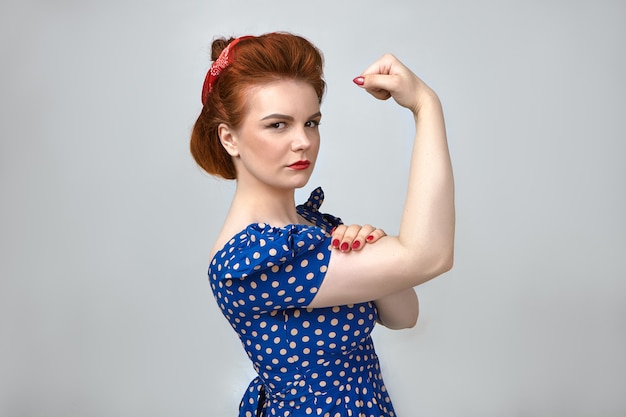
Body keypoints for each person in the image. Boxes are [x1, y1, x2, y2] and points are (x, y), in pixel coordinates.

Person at [190, 32, 454, 417]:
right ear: (229, 138)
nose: (303, 142)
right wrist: (426, 106)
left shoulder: (312, 224)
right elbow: (430, 256)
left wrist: (371, 247)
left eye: (311, 123)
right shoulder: (246, 263)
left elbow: (404, 315)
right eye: (278, 125)